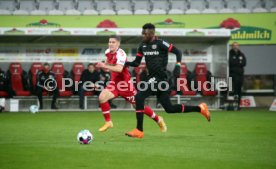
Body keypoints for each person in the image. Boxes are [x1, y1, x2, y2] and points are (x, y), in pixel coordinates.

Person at [124, 23, 211, 138]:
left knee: (139, 97)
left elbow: (177, 52)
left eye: (144, 33)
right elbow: (136, 63)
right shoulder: (142, 46)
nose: (142, 35)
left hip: (161, 78)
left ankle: (139, 130)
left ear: (151, 33)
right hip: (153, 79)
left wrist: (178, 66)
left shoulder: (161, 43)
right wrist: (124, 63)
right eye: (142, 32)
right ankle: (200, 108)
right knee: (169, 109)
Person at [95, 35, 166, 133]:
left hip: (125, 85)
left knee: (138, 106)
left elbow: (119, 69)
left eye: (113, 42)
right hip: (114, 83)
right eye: (109, 42)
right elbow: (108, 68)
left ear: (118, 43)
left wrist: (105, 65)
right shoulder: (107, 52)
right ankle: (108, 122)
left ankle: (158, 120)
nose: (110, 44)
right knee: (102, 97)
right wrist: (103, 66)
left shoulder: (121, 54)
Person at [229, 42, 246, 110]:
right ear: (232, 46)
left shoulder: (241, 54)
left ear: (239, 46)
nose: (236, 47)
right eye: (234, 46)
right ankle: (233, 105)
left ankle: (238, 105)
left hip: (240, 75)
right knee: (233, 90)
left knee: (239, 90)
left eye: (237, 45)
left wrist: (237, 63)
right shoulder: (229, 54)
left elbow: (244, 63)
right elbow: (231, 63)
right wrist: (239, 62)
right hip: (232, 75)